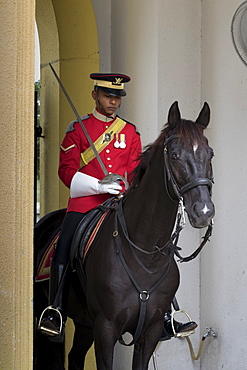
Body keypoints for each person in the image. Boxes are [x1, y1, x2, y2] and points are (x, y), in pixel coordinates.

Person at [38, 72, 197, 342]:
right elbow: (66, 172)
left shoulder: (129, 132)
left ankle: (168, 314)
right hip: (85, 203)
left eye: (117, 97)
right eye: (107, 95)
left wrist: (125, 189)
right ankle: (56, 309)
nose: (113, 102)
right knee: (63, 244)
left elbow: (137, 173)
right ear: (95, 95)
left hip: (121, 204)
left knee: (156, 246)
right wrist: (98, 187)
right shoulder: (77, 130)